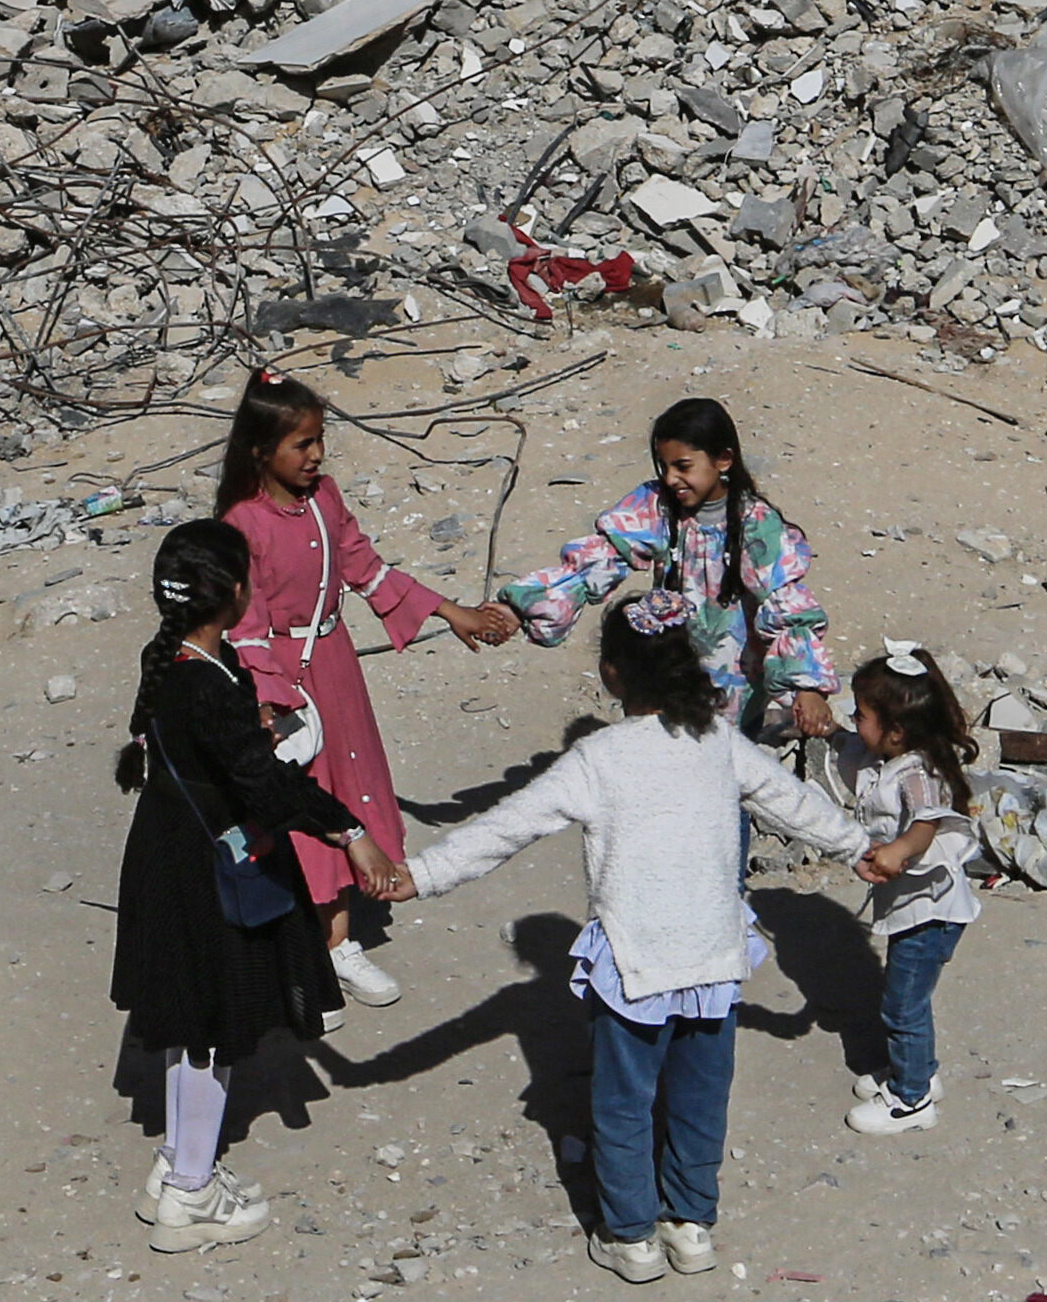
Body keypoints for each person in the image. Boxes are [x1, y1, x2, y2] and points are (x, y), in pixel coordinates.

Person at [405, 591, 871, 1284]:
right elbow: (793, 803)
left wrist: (417, 876)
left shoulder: (597, 757)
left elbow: (503, 829)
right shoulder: (719, 742)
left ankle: (632, 1237)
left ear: (612, 673)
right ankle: (692, 1224)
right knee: (700, 1099)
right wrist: (861, 847)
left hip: (634, 964)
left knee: (624, 1103)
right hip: (712, 961)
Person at [112, 516, 418, 1257]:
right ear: (234, 593)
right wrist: (350, 833)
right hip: (206, 876)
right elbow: (264, 784)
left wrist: (250, 736)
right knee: (212, 1032)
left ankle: (177, 1166)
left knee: (190, 1025)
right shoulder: (209, 683)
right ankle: (191, 1193)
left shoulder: (174, 663)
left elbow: (216, 754)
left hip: (165, 861)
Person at [214, 367, 516, 1015]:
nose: (316, 455)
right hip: (284, 680)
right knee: (306, 797)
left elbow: (366, 568)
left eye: (319, 440)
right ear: (260, 451)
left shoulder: (324, 499)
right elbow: (245, 625)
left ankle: (335, 938)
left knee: (346, 785)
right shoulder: (242, 525)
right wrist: (268, 701)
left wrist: (450, 612)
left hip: (336, 667)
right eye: (301, 444)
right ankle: (323, 946)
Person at [496, 398, 836, 745]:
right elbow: (598, 559)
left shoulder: (756, 524)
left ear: (723, 460)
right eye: (664, 466)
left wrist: (806, 688)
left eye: (683, 466)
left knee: (722, 752)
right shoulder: (656, 506)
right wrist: (520, 608)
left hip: (734, 681)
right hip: (669, 663)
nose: (671, 478)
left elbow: (784, 603)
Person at [839, 642, 984, 1134]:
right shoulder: (889, 759)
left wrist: (899, 850)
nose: (853, 721)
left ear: (896, 731)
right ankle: (919, 1069)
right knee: (907, 998)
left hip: (931, 912)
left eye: (861, 715)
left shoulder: (918, 773)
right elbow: (850, 750)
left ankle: (912, 1099)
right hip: (915, 907)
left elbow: (927, 821)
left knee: (902, 1005)